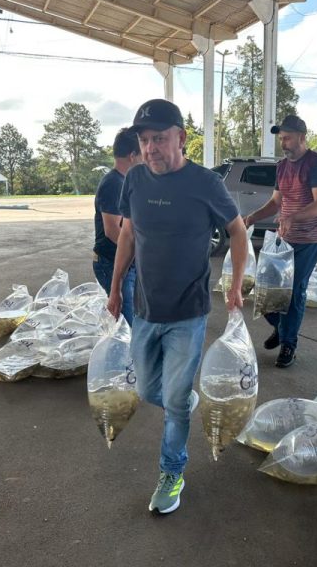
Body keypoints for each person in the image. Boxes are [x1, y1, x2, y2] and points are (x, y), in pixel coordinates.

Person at [106, 98, 248, 515]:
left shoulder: (206, 183)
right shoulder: (134, 180)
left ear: (181, 138)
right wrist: (115, 288)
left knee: (173, 399)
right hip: (145, 307)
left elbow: (238, 234)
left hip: (189, 310)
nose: (151, 148)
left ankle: (172, 471)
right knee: (150, 389)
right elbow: (128, 235)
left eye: (160, 139)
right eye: (144, 141)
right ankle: (181, 401)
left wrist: (234, 284)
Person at [243, 114, 317, 369]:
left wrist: (294, 216)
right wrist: (251, 217)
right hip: (285, 238)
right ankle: (281, 328)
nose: (283, 144)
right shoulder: (282, 167)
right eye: (281, 139)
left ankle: (289, 343)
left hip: (310, 239)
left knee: (293, 292)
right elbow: (275, 202)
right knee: (265, 288)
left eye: (288, 138)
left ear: (302, 137)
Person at [93, 127, 142, 325]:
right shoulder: (114, 183)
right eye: (143, 152)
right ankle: (123, 356)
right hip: (110, 263)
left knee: (133, 318)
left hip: (127, 263)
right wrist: (142, 251)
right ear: (132, 156)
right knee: (127, 323)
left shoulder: (124, 181)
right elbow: (113, 230)